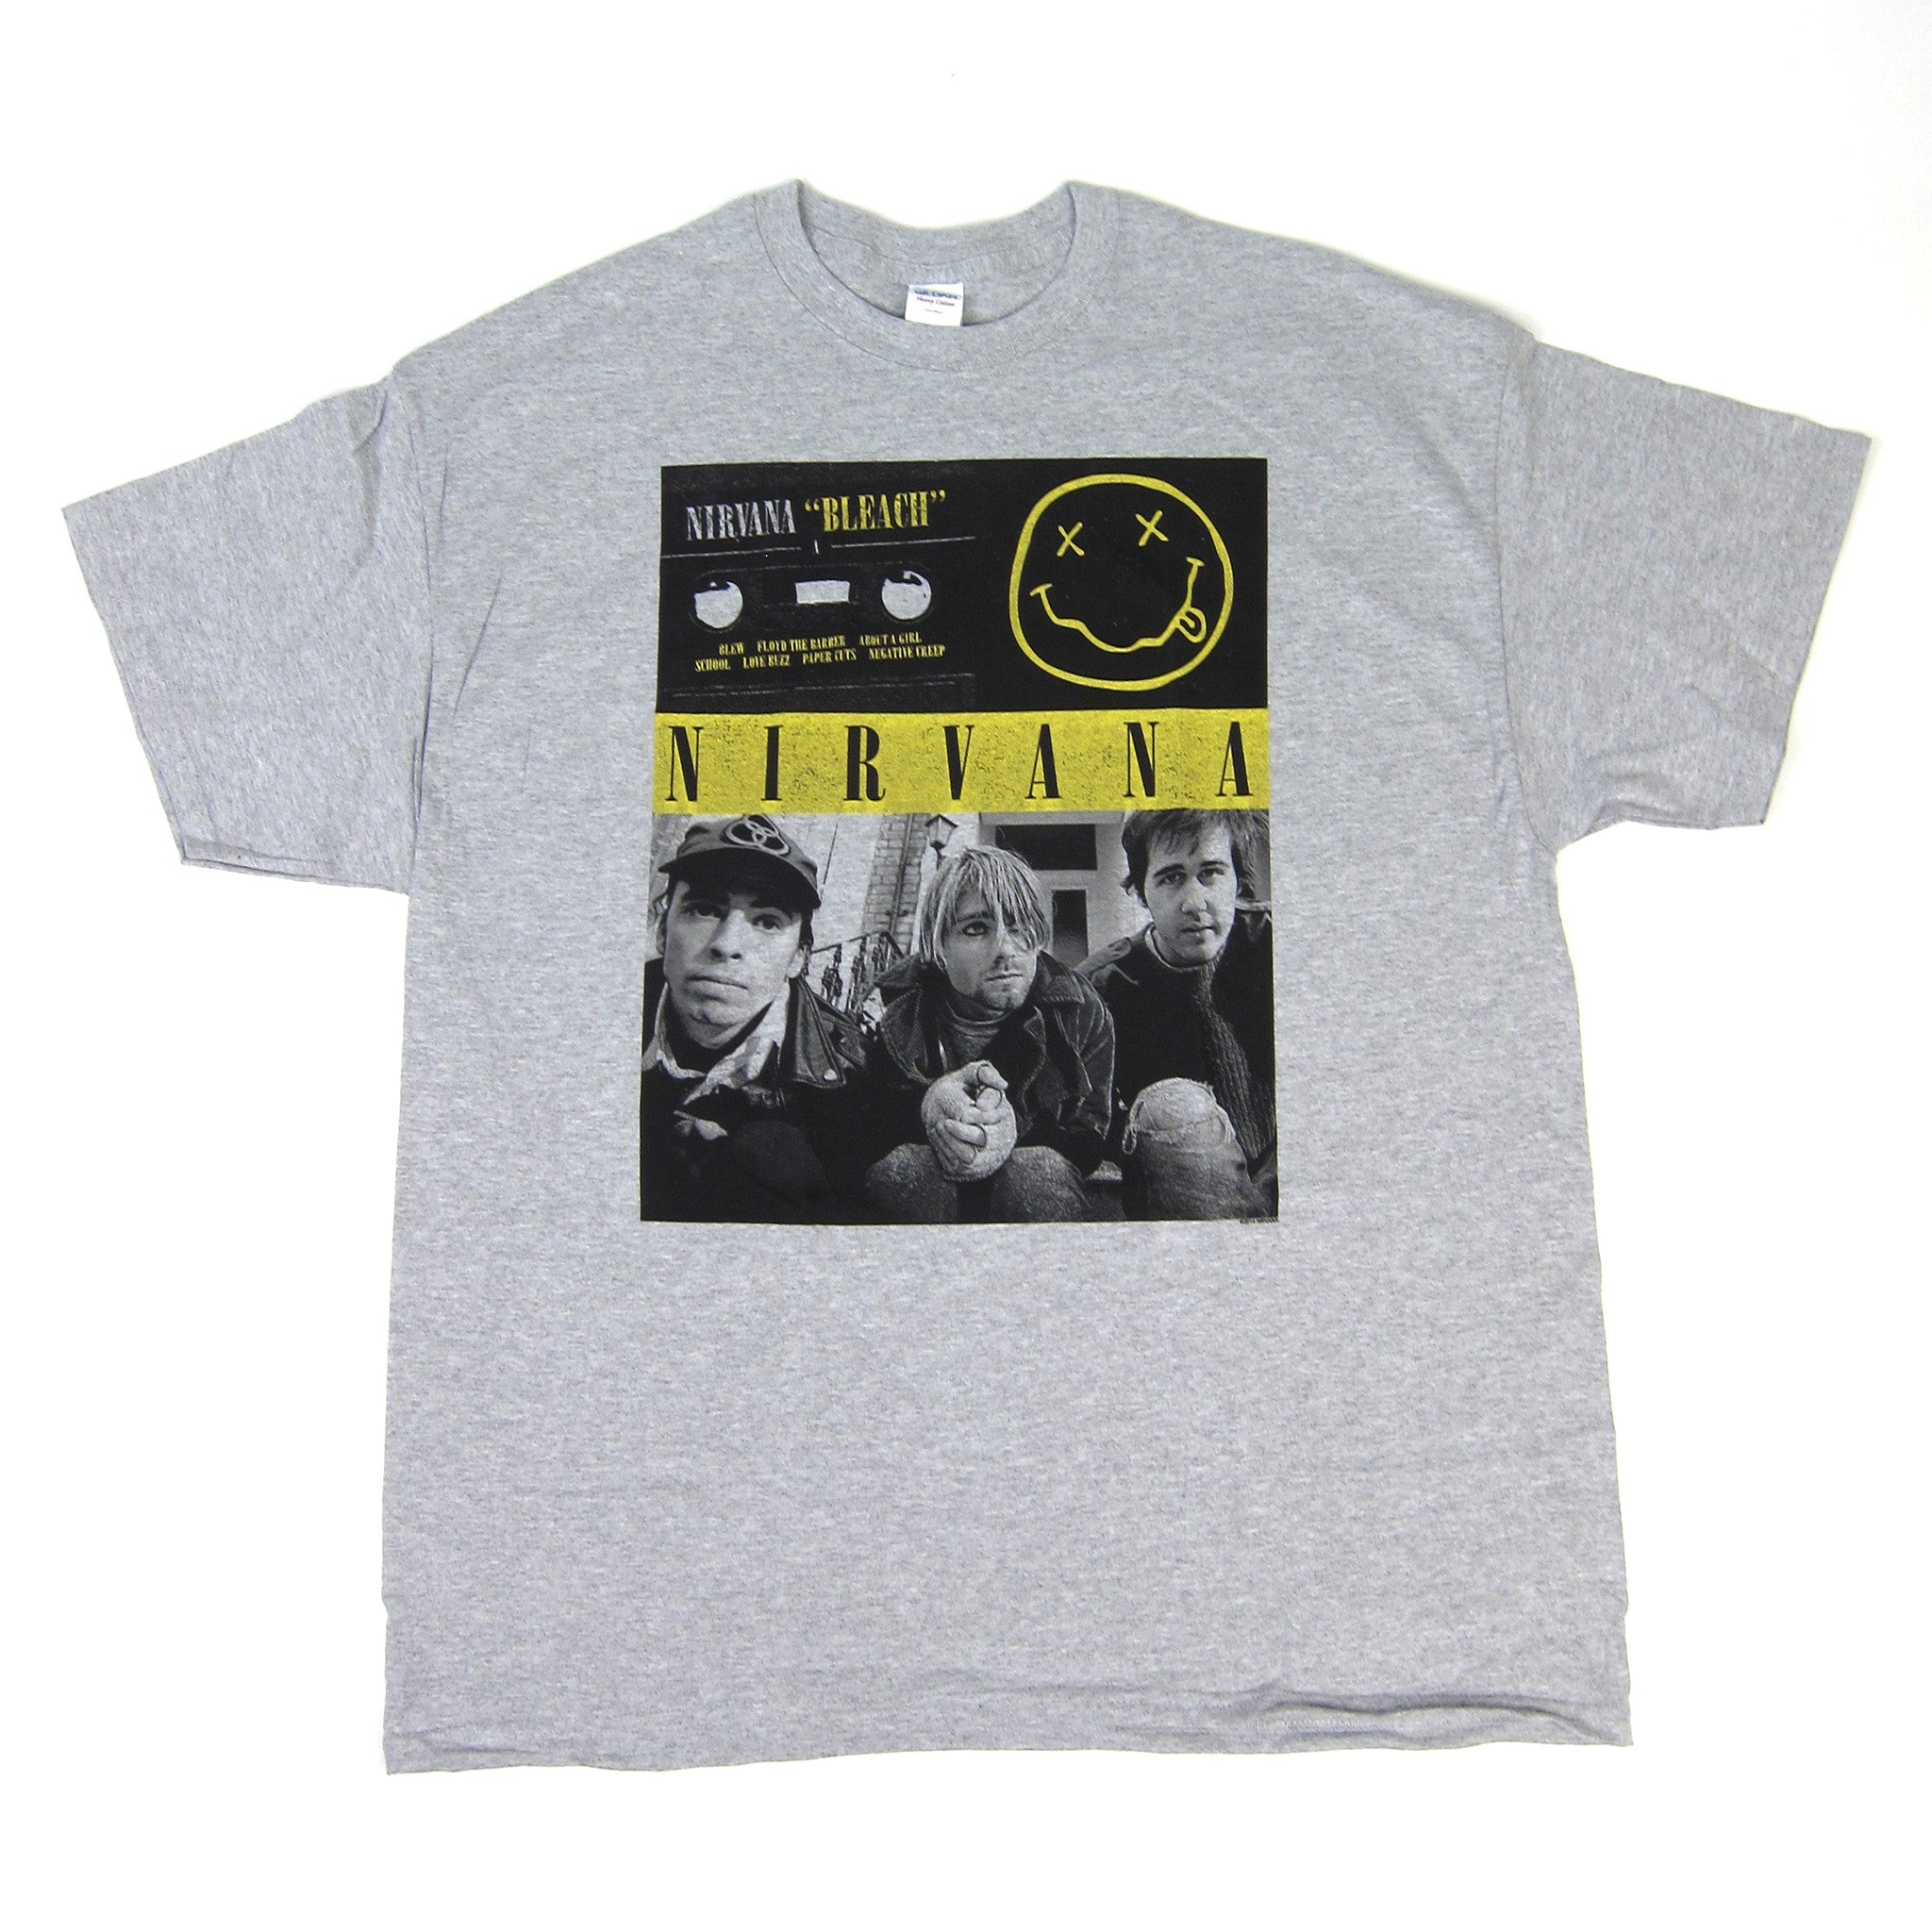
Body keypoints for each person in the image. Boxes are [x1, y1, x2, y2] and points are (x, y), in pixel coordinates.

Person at [640, 815, 874, 1222]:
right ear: (662, 930)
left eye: (767, 922)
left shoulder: (852, 1081)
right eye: (703, 910)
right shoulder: (598, 1020)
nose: (726, 945)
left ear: (799, 957)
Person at [865, 843, 1115, 1223]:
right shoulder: (890, 1007)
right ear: (939, 944)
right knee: (906, 1172)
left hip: (1029, 1182)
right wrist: (929, 1109)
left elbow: (1090, 1130)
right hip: (931, 1182)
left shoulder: (1079, 1008)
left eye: (1019, 926)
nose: (1005, 950)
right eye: (977, 929)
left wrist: (1011, 1131)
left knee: (1038, 1174)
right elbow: (861, 1128)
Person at [1081, 809, 1276, 1219]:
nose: (1194, 903)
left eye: (1211, 873)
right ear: (1141, 893)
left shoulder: (1275, 945)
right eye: (1172, 878)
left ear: (1238, 880)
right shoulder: (1101, 988)